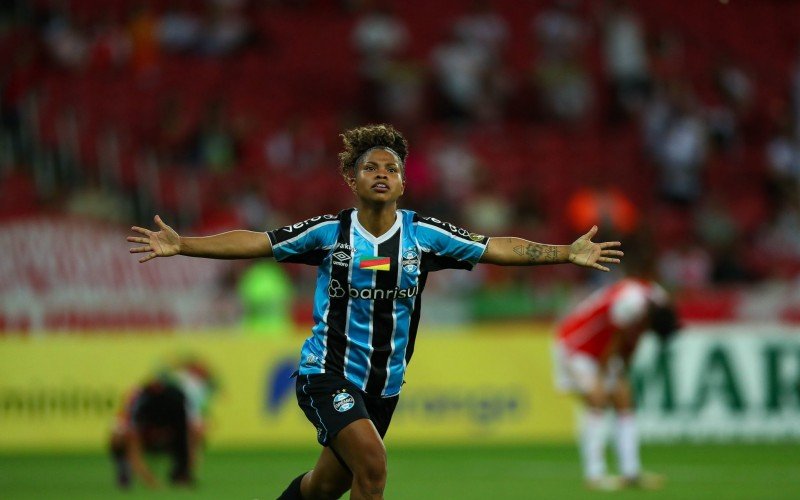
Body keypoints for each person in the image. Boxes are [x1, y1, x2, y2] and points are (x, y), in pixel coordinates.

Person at [127, 124, 623, 499]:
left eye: (391, 169)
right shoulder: (328, 233)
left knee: (324, 488)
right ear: (351, 178)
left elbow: (497, 247)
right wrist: (184, 244)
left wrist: (565, 252)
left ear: (403, 184)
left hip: (384, 386)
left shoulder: (425, 235)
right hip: (327, 374)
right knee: (374, 467)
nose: (381, 174)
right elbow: (257, 242)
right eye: (371, 168)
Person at [553, 271, 680, 490]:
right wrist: (603, 377)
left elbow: (634, 339)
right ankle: (595, 475)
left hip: (599, 350)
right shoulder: (630, 303)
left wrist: (622, 372)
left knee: (624, 400)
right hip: (576, 346)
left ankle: (631, 473)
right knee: (597, 399)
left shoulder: (656, 300)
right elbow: (614, 341)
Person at [109, 360, 215, 489]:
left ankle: (182, 473)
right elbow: (127, 427)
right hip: (145, 437)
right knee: (119, 436)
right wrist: (150, 481)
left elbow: (193, 421)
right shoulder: (137, 397)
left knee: (196, 432)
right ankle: (124, 469)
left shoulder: (178, 397)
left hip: (171, 437)